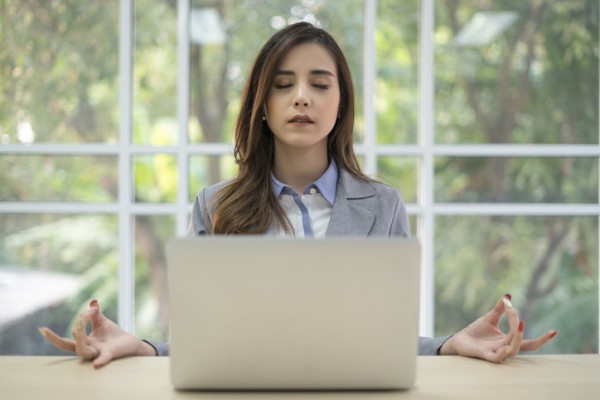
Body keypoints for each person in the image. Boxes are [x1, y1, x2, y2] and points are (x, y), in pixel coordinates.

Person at [38, 22, 558, 368]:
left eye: (319, 82)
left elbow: (386, 344)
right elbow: (203, 347)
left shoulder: (383, 206)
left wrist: (447, 346)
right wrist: (143, 347)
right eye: (283, 84)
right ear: (262, 104)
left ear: (341, 103)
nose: (302, 96)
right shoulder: (214, 205)